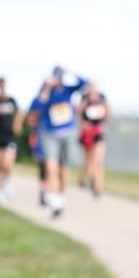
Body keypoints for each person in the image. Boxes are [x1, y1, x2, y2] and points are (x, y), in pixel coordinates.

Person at [33, 66, 88, 217]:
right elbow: (37, 106)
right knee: (52, 168)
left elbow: (85, 83)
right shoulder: (46, 92)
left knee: (64, 170)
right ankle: (55, 201)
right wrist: (45, 87)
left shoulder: (67, 90)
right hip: (50, 134)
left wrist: (71, 71)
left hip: (67, 134)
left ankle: (61, 195)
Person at [77, 82, 111, 197]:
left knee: (98, 160)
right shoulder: (84, 99)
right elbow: (79, 113)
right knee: (88, 161)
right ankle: (83, 178)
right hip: (87, 133)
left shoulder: (102, 98)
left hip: (98, 132)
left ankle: (97, 186)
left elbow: (108, 114)